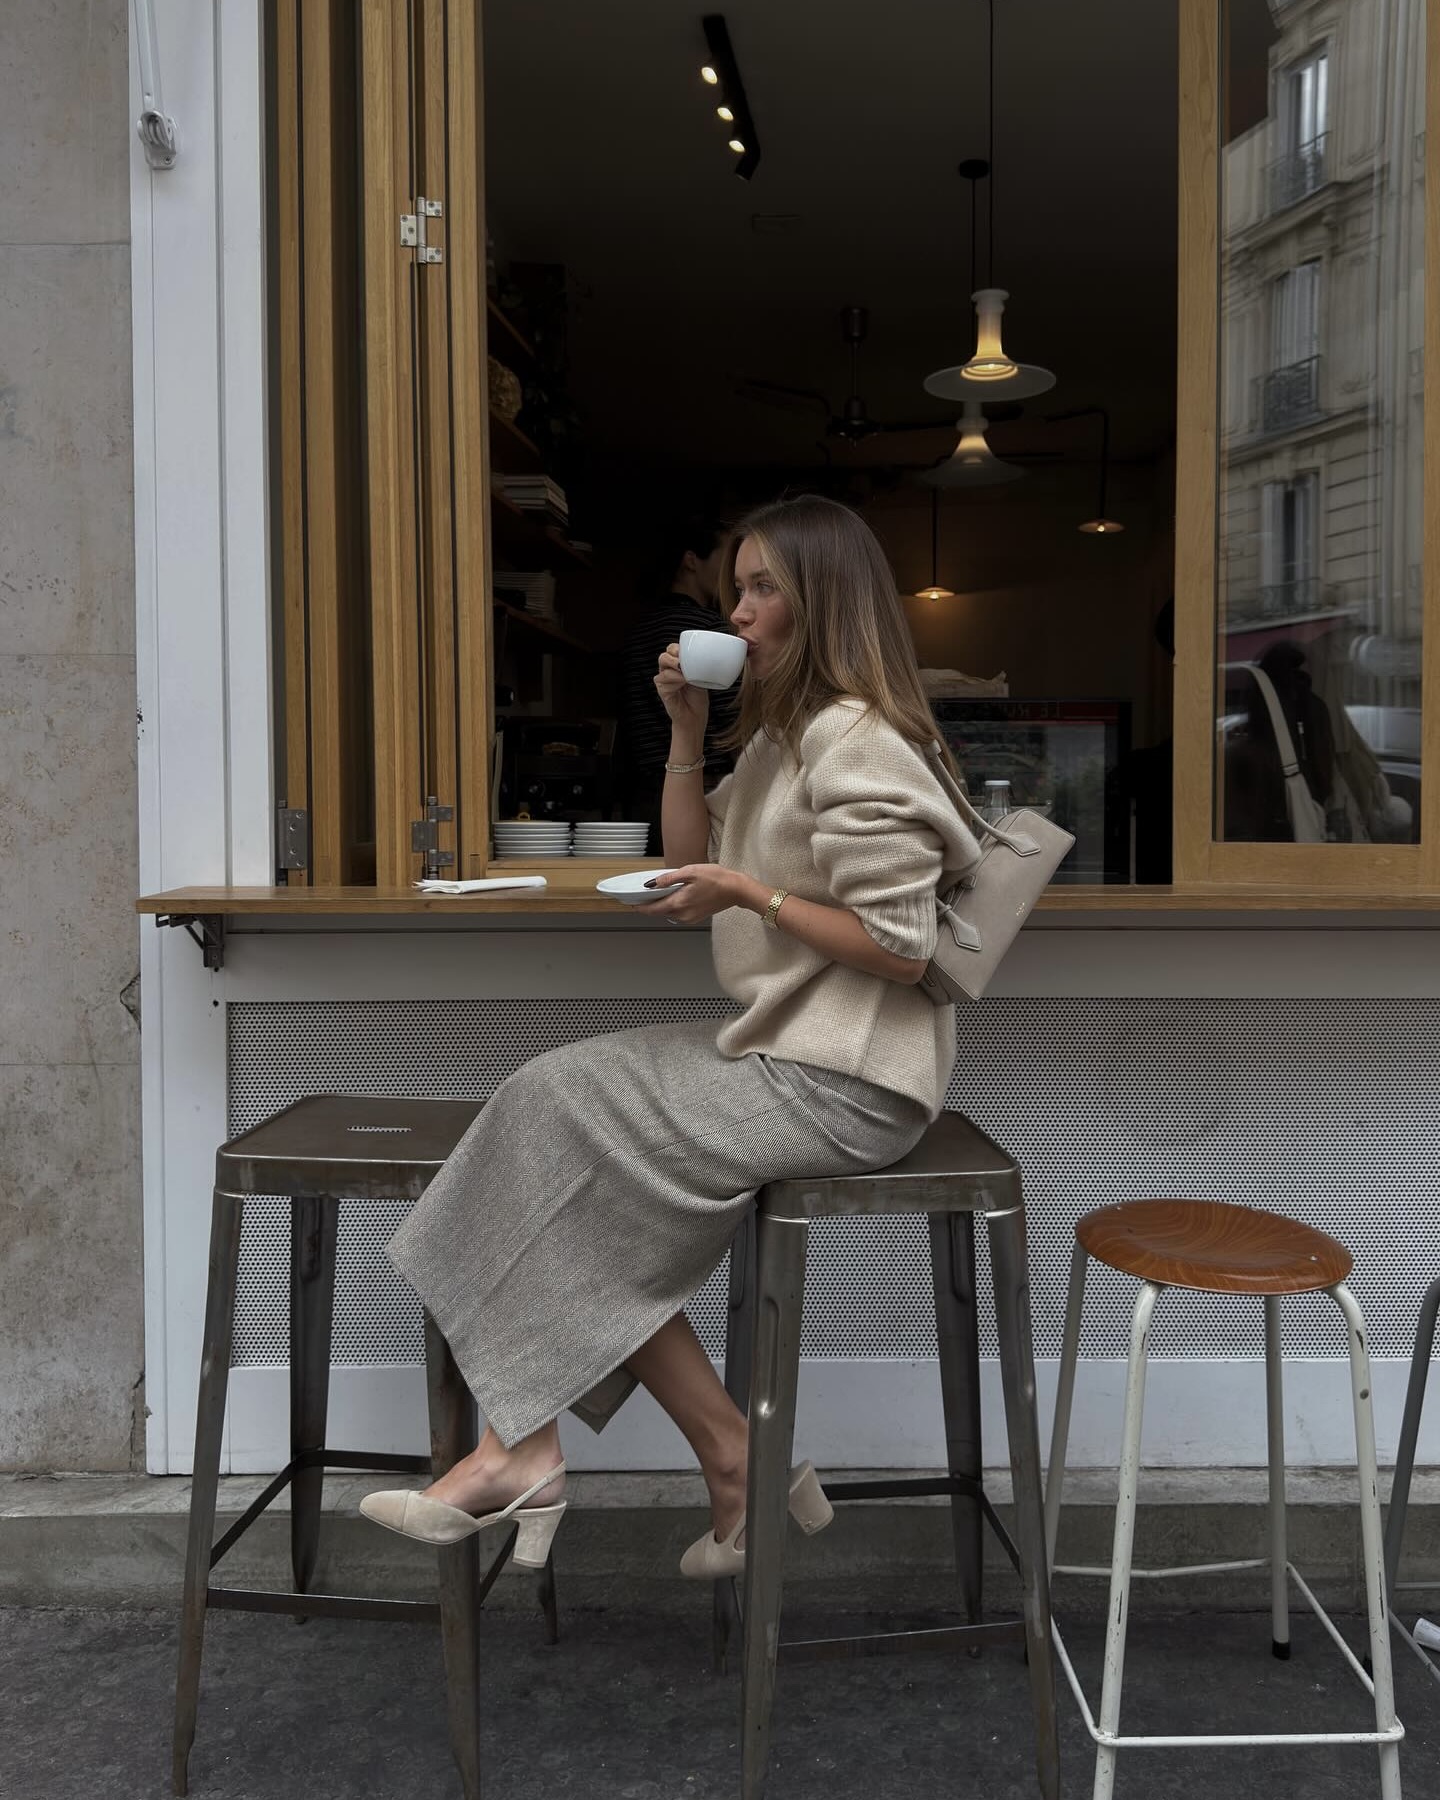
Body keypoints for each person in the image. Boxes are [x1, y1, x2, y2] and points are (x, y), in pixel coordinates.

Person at [361, 494, 982, 1575]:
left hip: (849, 1080)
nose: (736, 612)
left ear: (820, 602)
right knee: (565, 1144)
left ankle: (529, 1452)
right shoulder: (792, 737)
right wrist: (689, 736)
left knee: (553, 1107)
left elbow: (901, 946)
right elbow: (687, 848)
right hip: (792, 1052)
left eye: (760, 590)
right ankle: (716, 1454)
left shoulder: (859, 744)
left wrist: (753, 894)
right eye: (734, 588)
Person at [616, 516, 741, 849]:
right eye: (725, 559)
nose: (729, 573)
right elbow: (736, 722)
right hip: (705, 788)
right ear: (691, 561)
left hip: (643, 794)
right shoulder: (716, 633)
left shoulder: (635, 634)